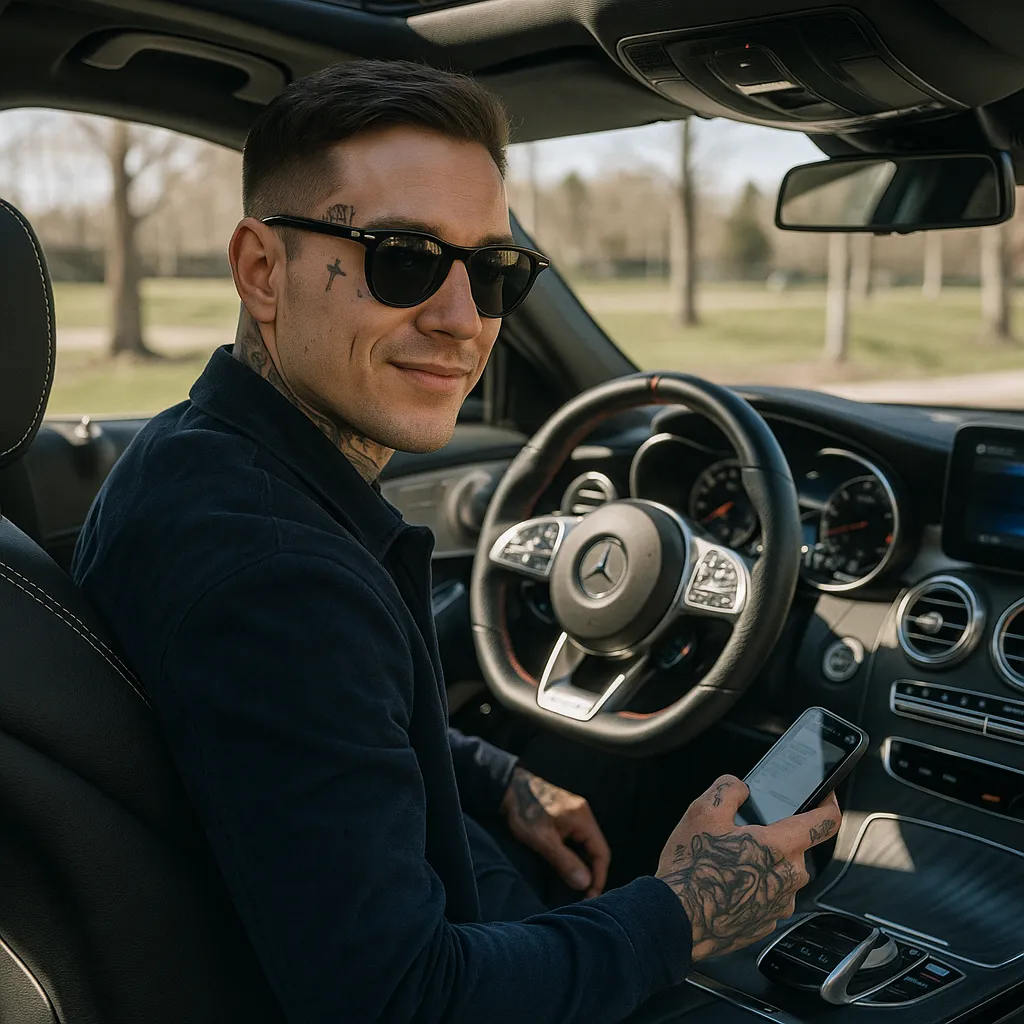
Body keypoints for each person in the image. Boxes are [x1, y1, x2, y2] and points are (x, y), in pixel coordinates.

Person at [72, 59, 841, 1023]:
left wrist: (495, 774)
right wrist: (684, 913)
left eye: (492, 270)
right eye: (403, 257)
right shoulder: (279, 579)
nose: (463, 319)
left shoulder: (187, 459)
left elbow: (325, 729)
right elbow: (401, 1001)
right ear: (262, 271)